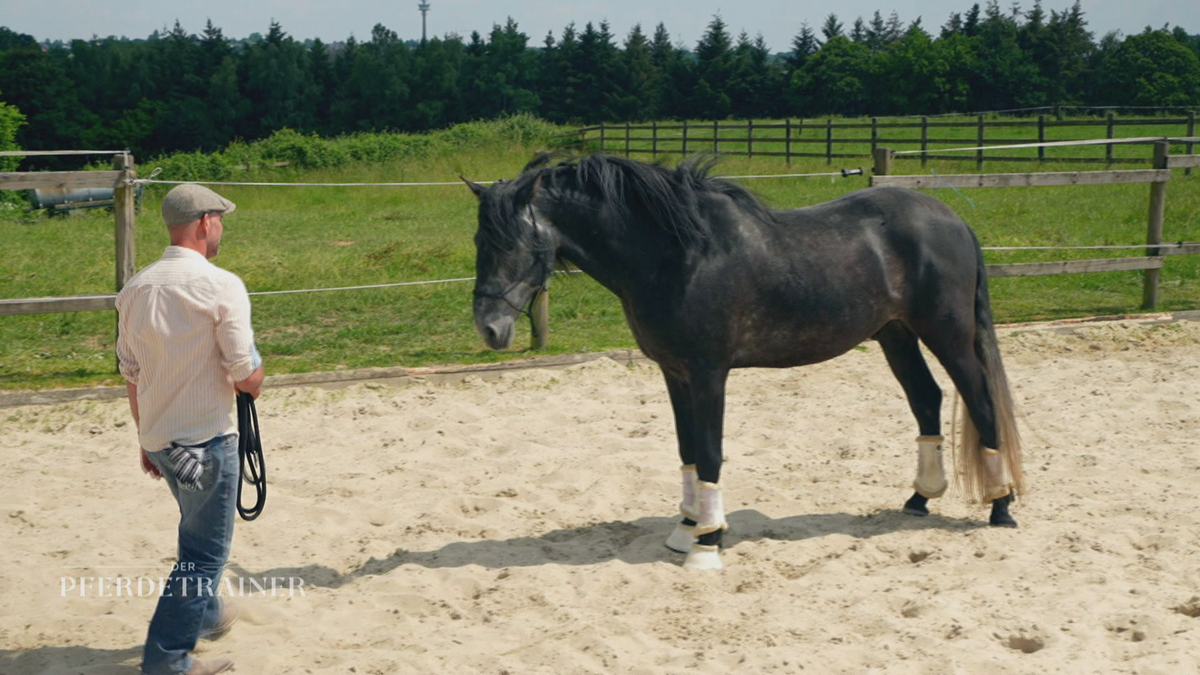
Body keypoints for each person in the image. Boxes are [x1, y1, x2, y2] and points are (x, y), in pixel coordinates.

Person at [116, 183, 264, 675]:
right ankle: (167, 661)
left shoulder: (134, 289)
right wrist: (257, 372)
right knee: (203, 555)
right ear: (204, 223)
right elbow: (246, 376)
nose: (220, 229)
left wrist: (145, 437)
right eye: (219, 220)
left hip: (161, 441)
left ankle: (206, 616)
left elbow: (133, 374)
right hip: (206, 442)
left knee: (194, 535)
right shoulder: (222, 285)